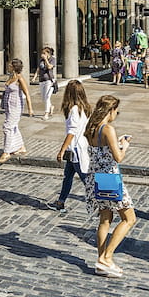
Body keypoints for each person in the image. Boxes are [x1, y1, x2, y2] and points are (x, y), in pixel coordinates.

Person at [84, 95, 136, 277]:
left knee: (105, 220)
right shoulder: (107, 129)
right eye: (116, 111)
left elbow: (101, 151)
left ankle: (102, 261)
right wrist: (125, 145)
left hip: (95, 177)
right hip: (109, 178)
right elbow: (118, 157)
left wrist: (117, 144)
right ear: (111, 110)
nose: (116, 115)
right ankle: (106, 257)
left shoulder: (91, 127)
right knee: (129, 218)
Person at [51, 79, 91, 212]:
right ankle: (61, 201)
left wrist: (61, 150)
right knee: (68, 176)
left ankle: (103, 203)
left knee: (86, 178)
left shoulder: (74, 110)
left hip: (76, 149)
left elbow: (71, 132)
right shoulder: (84, 108)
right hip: (78, 147)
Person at [0, 59, 33, 164]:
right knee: (14, 126)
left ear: (14, 67)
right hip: (8, 106)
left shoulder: (19, 78)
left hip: (16, 107)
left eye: (10, 65)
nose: (8, 66)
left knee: (7, 127)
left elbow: (27, 93)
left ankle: (6, 152)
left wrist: (30, 108)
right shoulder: (11, 77)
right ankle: (21, 147)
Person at [37, 46, 56, 120]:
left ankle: (46, 113)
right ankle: (50, 107)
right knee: (43, 98)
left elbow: (50, 67)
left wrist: (46, 60)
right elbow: (38, 68)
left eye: (44, 53)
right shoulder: (41, 60)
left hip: (49, 80)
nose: (42, 54)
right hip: (42, 80)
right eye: (42, 53)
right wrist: (35, 77)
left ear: (48, 53)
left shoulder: (52, 59)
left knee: (47, 97)